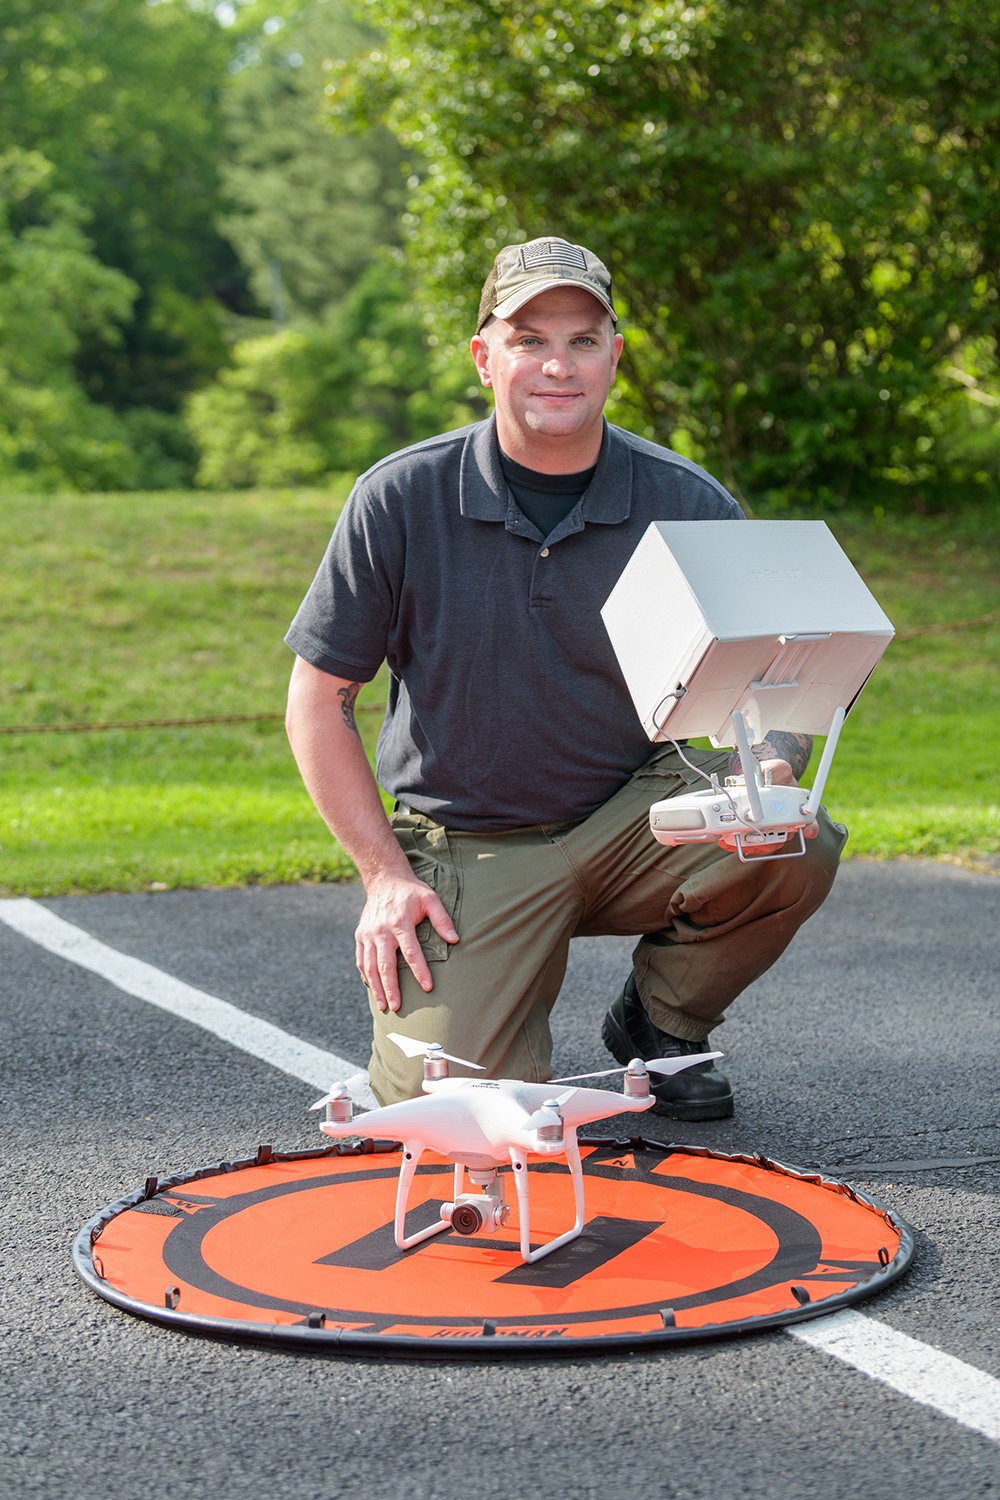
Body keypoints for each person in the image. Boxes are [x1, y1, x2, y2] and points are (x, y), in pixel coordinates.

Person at [284, 236, 846, 1115]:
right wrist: (383, 875)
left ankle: (663, 1023)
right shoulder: (398, 498)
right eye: (529, 340)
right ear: (484, 358)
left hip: (638, 820)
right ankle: (477, 1015)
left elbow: (780, 682)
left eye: (583, 340)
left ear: (614, 358)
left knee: (792, 840)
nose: (558, 365)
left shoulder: (688, 501)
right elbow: (319, 702)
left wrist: (768, 760)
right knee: (450, 1112)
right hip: (471, 842)